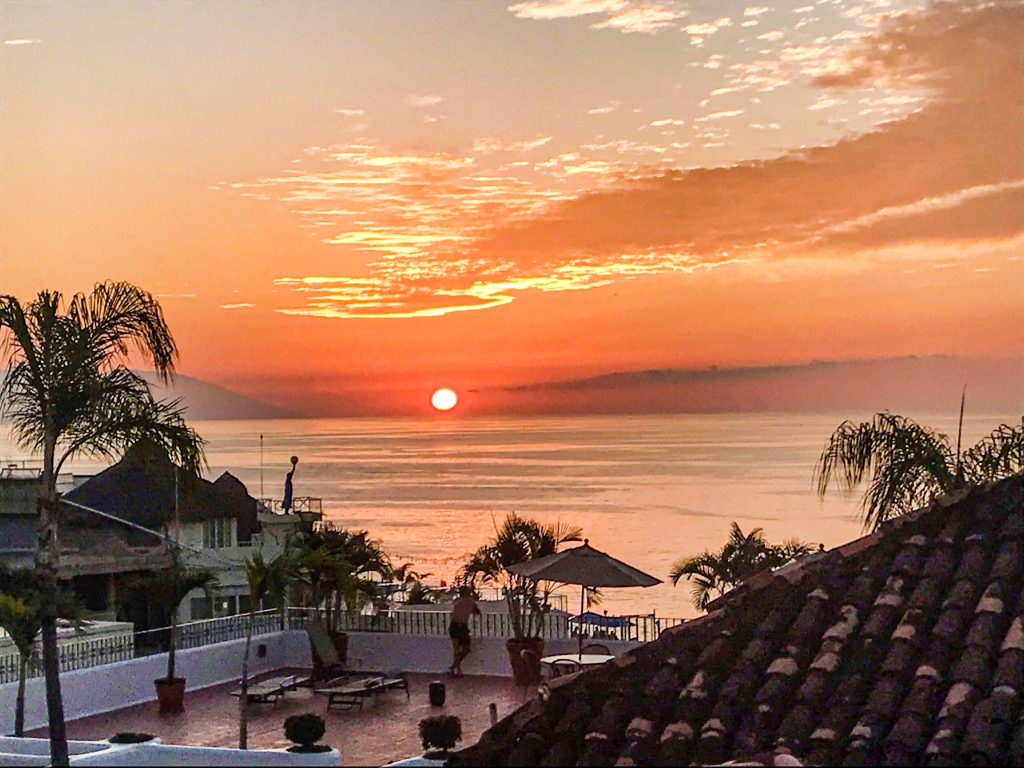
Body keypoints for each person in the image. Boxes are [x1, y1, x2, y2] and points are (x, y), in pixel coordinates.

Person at [448, 586, 480, 677]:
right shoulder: (470, 601)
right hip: (460, 626)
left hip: (455, 626)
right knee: (463, 649)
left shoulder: (457, 601)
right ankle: (456, 669)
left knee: (457, 649)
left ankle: (455, 668)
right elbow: (477, 612)